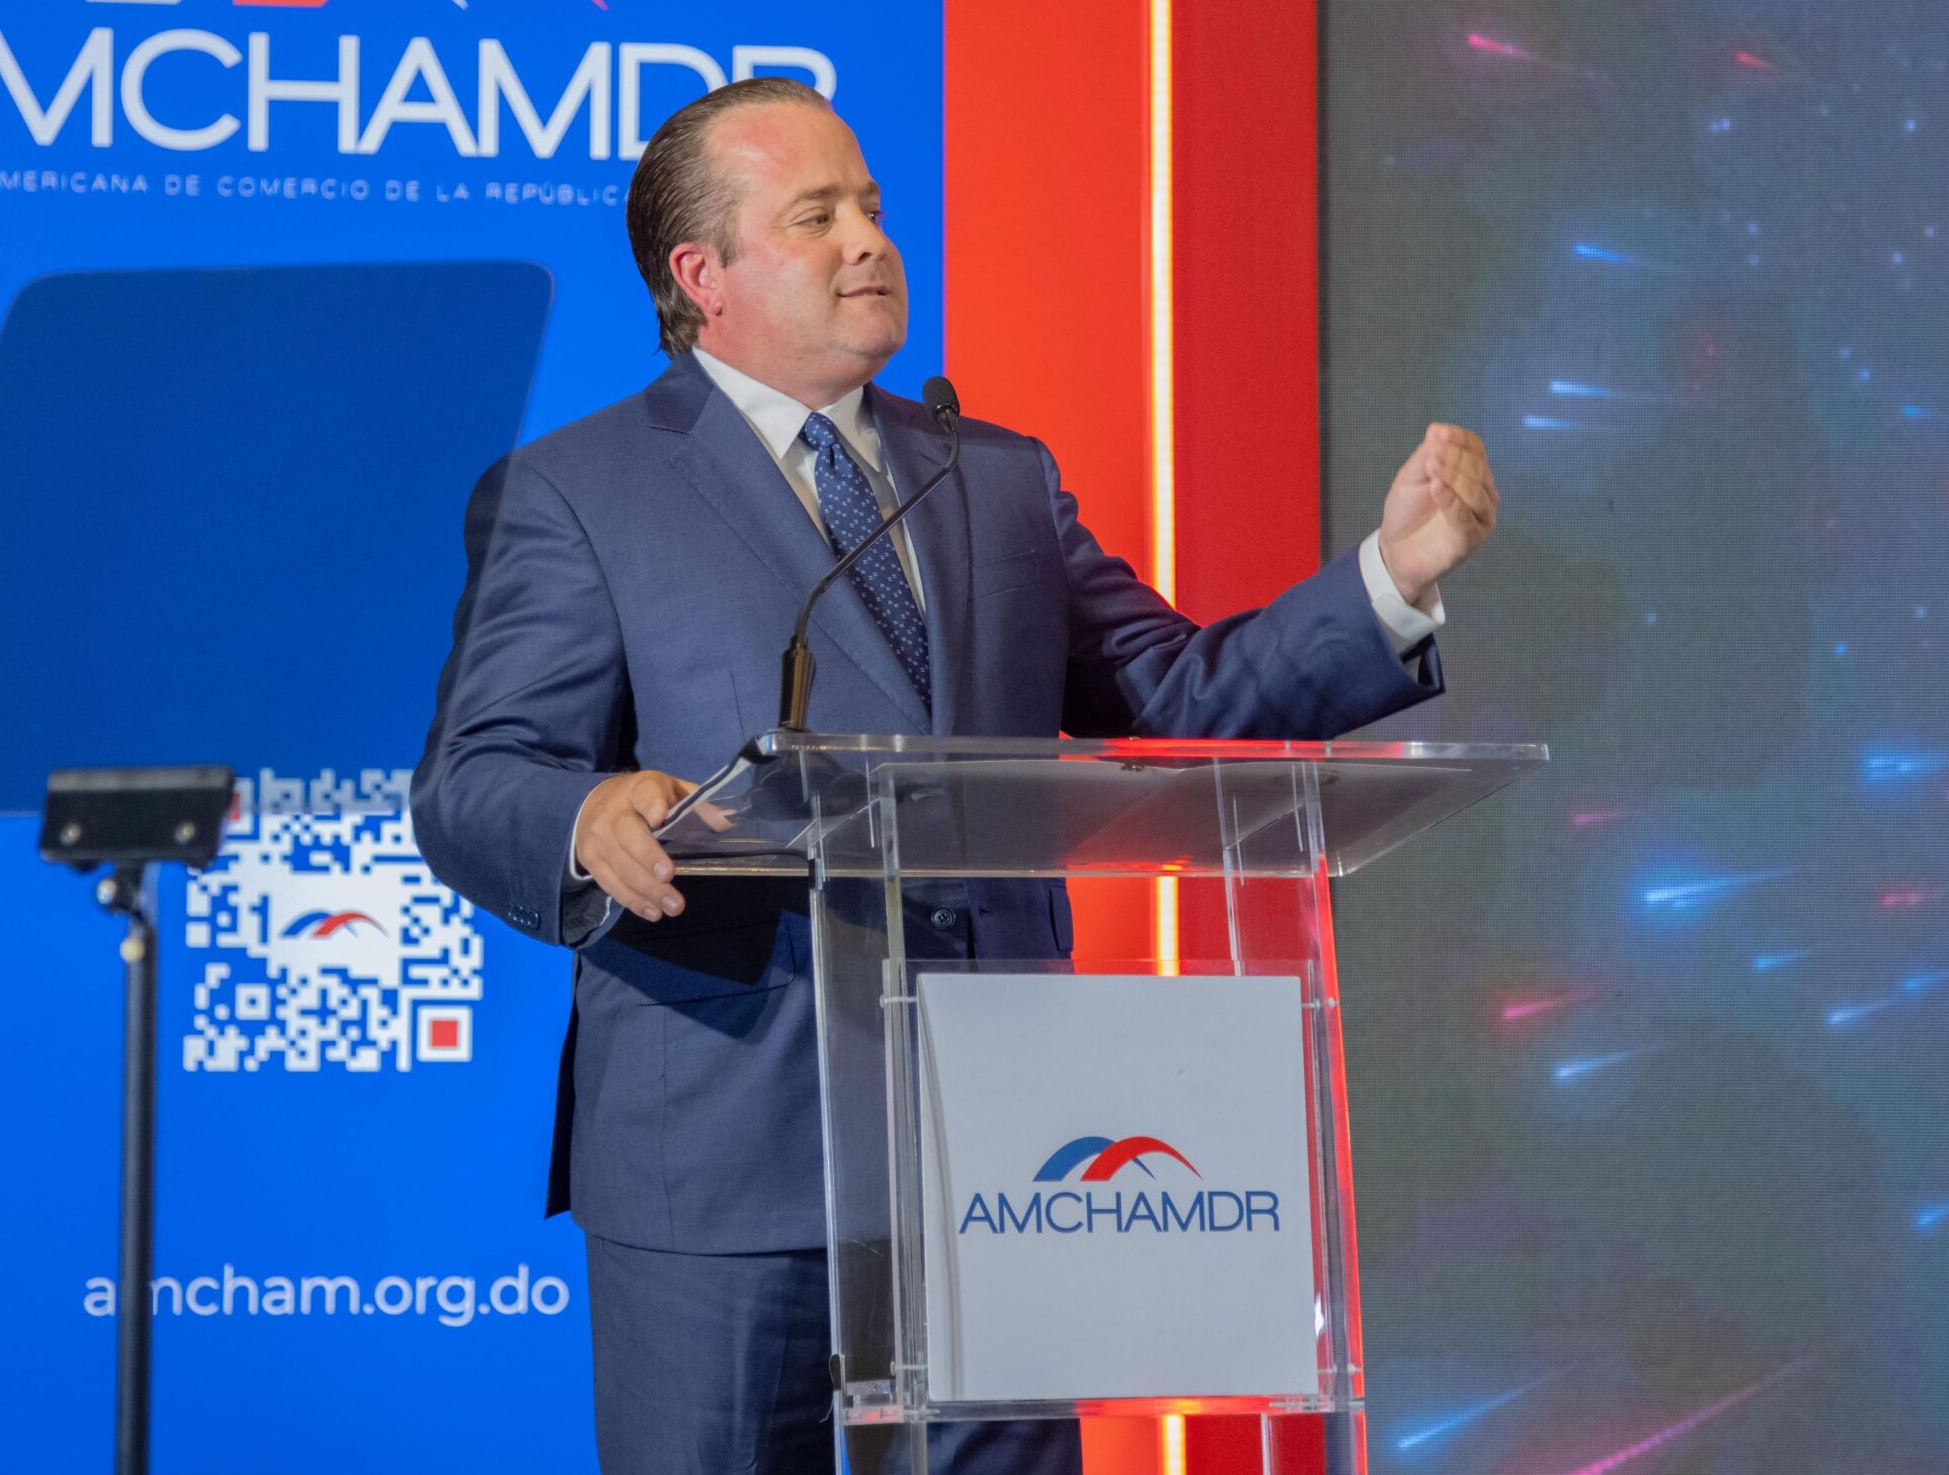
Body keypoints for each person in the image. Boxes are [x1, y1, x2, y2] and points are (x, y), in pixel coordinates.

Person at [410, 77, 1497, 1475]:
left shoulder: (992, 475)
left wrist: (1390, 580)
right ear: (701, 277)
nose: (869, 239)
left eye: (869, 206)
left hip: (1002, 1150)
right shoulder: (581, 488)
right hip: (728, 1153)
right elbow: (474, 778)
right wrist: (583, 812)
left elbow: (1175, 693)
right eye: (815, 217)